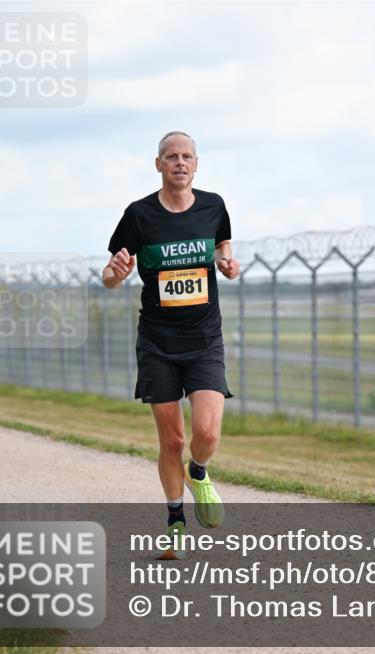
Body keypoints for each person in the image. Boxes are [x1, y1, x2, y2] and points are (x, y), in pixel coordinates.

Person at [102, 131, 240, 559]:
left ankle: (199, 472)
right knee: (172, 441)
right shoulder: (139, 215)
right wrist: (116, 274)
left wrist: (227, 262)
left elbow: (222, 245)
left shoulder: (213, 206)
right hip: (158, 343)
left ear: (196, 164)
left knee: (207, 433)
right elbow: (108, 276)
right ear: (158, 164)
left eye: (187, 156)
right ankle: (176, 523)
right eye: (171, 156)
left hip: (204, 339)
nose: (180, 162)